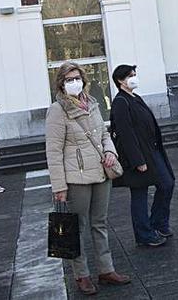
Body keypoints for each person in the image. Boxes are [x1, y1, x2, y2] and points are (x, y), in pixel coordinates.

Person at [45, 62, 132, 296]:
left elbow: (104, 133)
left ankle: (106, 269)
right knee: (76, 228)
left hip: (101, 171)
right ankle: (81, 274)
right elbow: (53, 151)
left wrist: (111, 153)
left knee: (100, 223)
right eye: (69, 79)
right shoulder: (57, 109)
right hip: (76, 178)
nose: (74, 82)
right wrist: (59, 186)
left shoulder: (92, 102)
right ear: (61, 83)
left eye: (77, 78)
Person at [109, 64, 175, 248]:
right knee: (139, 193)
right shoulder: (121, 102)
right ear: (120, 80)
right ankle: (144, 234)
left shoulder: (134, 97)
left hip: (151, 150)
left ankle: (158, 224)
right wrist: (138, 160)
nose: (134, 78)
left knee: (167, 184)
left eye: (134, 74)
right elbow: (126, 133)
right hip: (138, 155)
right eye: (130, 75)